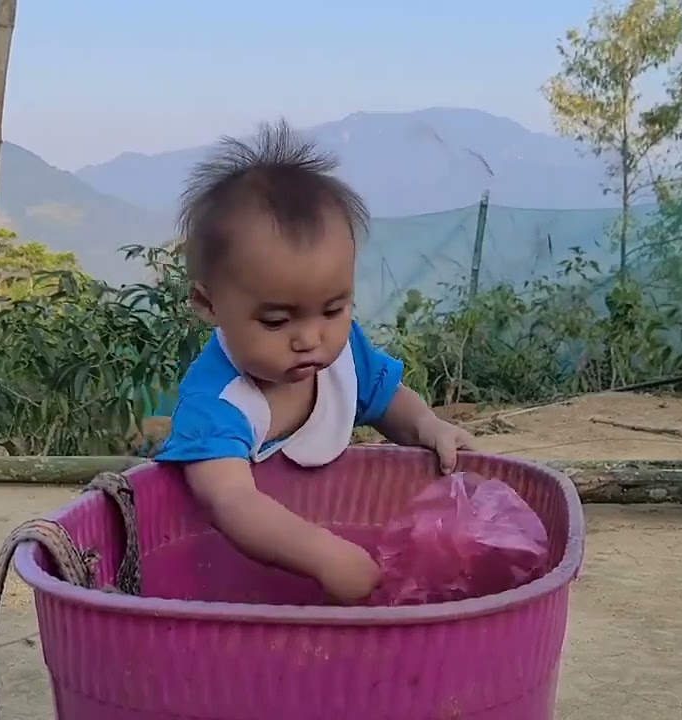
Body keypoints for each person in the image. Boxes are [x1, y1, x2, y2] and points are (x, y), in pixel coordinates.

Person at [154, 119, 474, 604]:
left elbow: (386, 400)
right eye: (278, 321)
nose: (310, 339)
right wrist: (326, 556)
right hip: (227, 581)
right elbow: (232, 502)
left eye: (332, 309)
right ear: (209, 304)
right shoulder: (217, 406)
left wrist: (430, 428)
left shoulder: (343, 354)